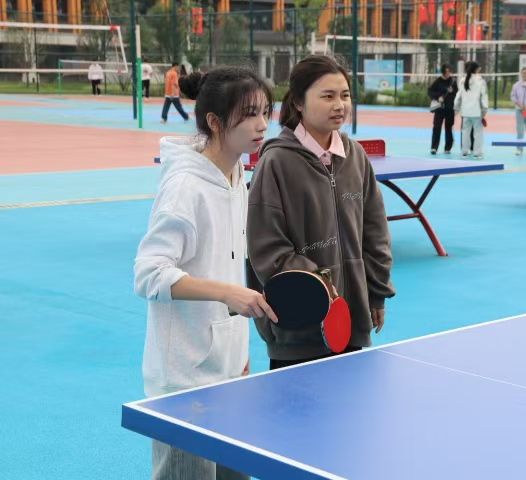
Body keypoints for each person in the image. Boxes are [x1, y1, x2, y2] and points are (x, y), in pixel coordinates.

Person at [134, 66, 277, 479]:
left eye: (265, 112)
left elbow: (228, 262)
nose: (262, 124)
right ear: (214, 122)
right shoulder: (185, 187)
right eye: (249, 114)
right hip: (184, 381)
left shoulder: (237, 174)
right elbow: (149, 273)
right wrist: (226, 293)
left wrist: (239, 349)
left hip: (228, 368)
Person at [247, 55, 395, 370]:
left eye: (345, 95)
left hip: (352, 319)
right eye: (327, 96)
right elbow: (267, 247)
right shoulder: (275, 163)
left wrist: (376, 293)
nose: (339, 105)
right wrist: (320, 288)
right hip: (297, 326)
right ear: (298, 103)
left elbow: (375, 232)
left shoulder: (356, 157)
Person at [454, 61, 488, 159]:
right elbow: (484, 97)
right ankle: (477, 153)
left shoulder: (462, 80)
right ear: (476, 69)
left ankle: (464, 152)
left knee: (465, 132)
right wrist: (484, 110)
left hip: (465, 112)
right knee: (478, 133)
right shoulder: (481, 81)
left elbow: (458, 96)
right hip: (477, 112)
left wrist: (456, 108)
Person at [428, 63, 458, 154]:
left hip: (449, 108)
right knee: (436, 127)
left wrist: (452, 91)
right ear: (443, 72)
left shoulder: (453, 81)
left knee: (449, 128)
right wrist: (438, 97)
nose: (448, 73)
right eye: (446, 72)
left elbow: (457, 93)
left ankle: (448, 148)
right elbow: (430, 91)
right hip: (439, 109)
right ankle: (434, 147)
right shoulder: (438, 81)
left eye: (449, 71)